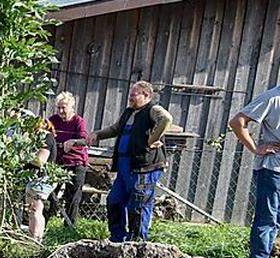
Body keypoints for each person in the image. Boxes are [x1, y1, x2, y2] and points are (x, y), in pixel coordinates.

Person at [76, 81, 173, 242]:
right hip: (124, 167)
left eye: (134, 95)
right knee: (114, 200)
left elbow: (166, 119)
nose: (130, 98)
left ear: (146, 95)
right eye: (130, 95)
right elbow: (116, 129)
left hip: (144, 167)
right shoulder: (129, 112)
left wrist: (152, 139)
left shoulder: (152, 110)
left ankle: (137, 241)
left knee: (138, 205)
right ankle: (117, 238)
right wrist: (97, 135)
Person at [229, 85, 280, 258]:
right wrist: (255, 149)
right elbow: (237, 122)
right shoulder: (272, 98)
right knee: (268, 219)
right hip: (273, 171)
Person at [48, 91, 90, 228]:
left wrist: (73, 142)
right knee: (49, 193)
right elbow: (44, 132)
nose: (61, 111)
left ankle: (69, 228)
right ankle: (43, 225)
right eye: (59, 107)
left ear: (71, 107)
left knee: (73, 197)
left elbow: (85, 140)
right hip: (58, 162)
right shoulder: (53, 120)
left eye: (63, 107)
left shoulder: (78, 121)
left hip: (76, 162)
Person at [24, 116, 57, 244]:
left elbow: (40, 161)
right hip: (37, 179)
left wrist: (24, 159)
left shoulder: (46, 138)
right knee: (33, 210)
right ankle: (33, 239)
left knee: (36, 210)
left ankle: (36, 240)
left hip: (42, 179)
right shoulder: (42, 138)